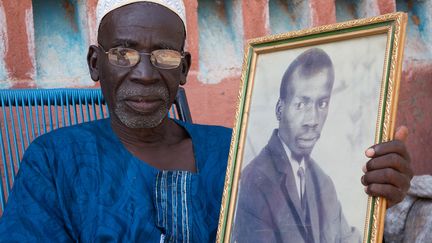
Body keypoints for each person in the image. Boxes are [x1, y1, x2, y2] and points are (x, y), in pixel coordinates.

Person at [0, 1, 412, 242]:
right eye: (122, 54)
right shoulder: (54, 161)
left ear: (183, 69)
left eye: (163, 56)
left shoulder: (234, 150)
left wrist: (374, 195)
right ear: (95, 64)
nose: (144, 73)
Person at [232, 48, 412, 243]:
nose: (312, 120)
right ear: (279, 110)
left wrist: (377, 211)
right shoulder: (256, 180)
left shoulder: (322, 181)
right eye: (301, 104)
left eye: (322, 104)